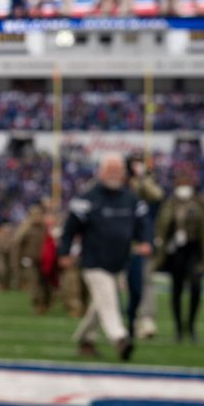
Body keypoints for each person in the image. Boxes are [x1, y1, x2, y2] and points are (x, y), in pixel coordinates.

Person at [58, 153, 152, 361]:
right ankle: (120, 338)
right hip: (94, 262)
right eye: (110, 169)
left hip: (119, 261)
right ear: (101, 172)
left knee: (100, 304)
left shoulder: (131, 199)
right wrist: (64, 252)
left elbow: (144, 222)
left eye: (117, 170)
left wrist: (146, 241)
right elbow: (70, 228)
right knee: (109, 300)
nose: (114, 174)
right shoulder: (87, 199)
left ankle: (85, 338)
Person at [155, 175, 204, 343]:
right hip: (175, 251)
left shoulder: (200, 203)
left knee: (196, 285)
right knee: (177, 288)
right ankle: (178, 329)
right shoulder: (170, 204)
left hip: (194, 249)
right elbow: (162, 224)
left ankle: (191, 325)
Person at [126, 155, 165, 339]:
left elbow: (156, 195)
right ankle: (125, 320)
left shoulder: (149, 185)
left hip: (144, 240)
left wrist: (142, 179)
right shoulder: (124, 184)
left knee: (146, 281)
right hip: (122, 239)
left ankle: (146, 319)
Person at [13, 205, 51, 314]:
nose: (37, 217)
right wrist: (17, 262)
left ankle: (45, 303)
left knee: (45, 284)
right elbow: (17, 246)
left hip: (44, 261)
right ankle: (37, 304)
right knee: (34, 284)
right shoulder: (25, 229)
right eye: (35, 215)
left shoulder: (45, 227)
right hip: (30, 261)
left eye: (39, 215)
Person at [0, 221, 16, 291]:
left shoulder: (11, 238)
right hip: (0, 257)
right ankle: (1, 284)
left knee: (8, 271)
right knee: (1, 270)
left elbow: (12, 247)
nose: (7, 232)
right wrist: (5, 248)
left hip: (8, 258)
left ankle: (7, 285)